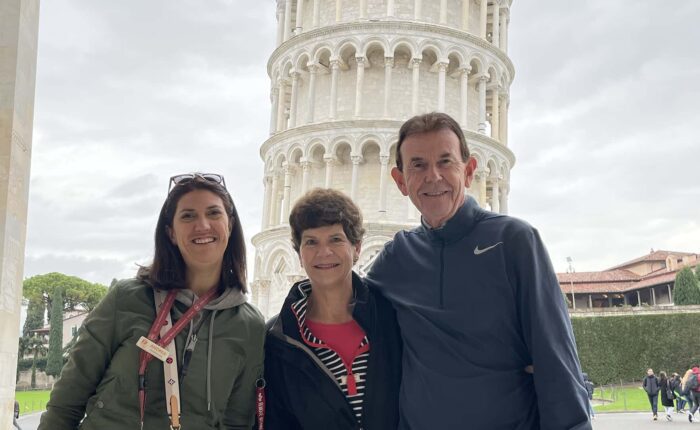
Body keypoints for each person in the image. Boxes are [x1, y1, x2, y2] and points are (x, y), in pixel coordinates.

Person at [365, 112, 591, 429]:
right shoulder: (395, 258)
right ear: (400, 181)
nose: (433, 176)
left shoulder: (514, 240)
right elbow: (342, 312)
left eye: (445, 162)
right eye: (418, 164)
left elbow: (555, 357)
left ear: (469, 171)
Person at [38, 173, 265, 430]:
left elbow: (237, 421)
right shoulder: (127, 299)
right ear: (170, 232)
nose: (202, 225)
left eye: (214, 213)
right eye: (188, 215)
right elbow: (67, 398)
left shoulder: (249, 325)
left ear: (230, 225)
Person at [264, 188, 402, 429]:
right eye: (311, 242)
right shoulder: (279, 338)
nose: (324, 252)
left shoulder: (392, 319)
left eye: (336, 239)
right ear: (299, 254)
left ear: (357, 247)